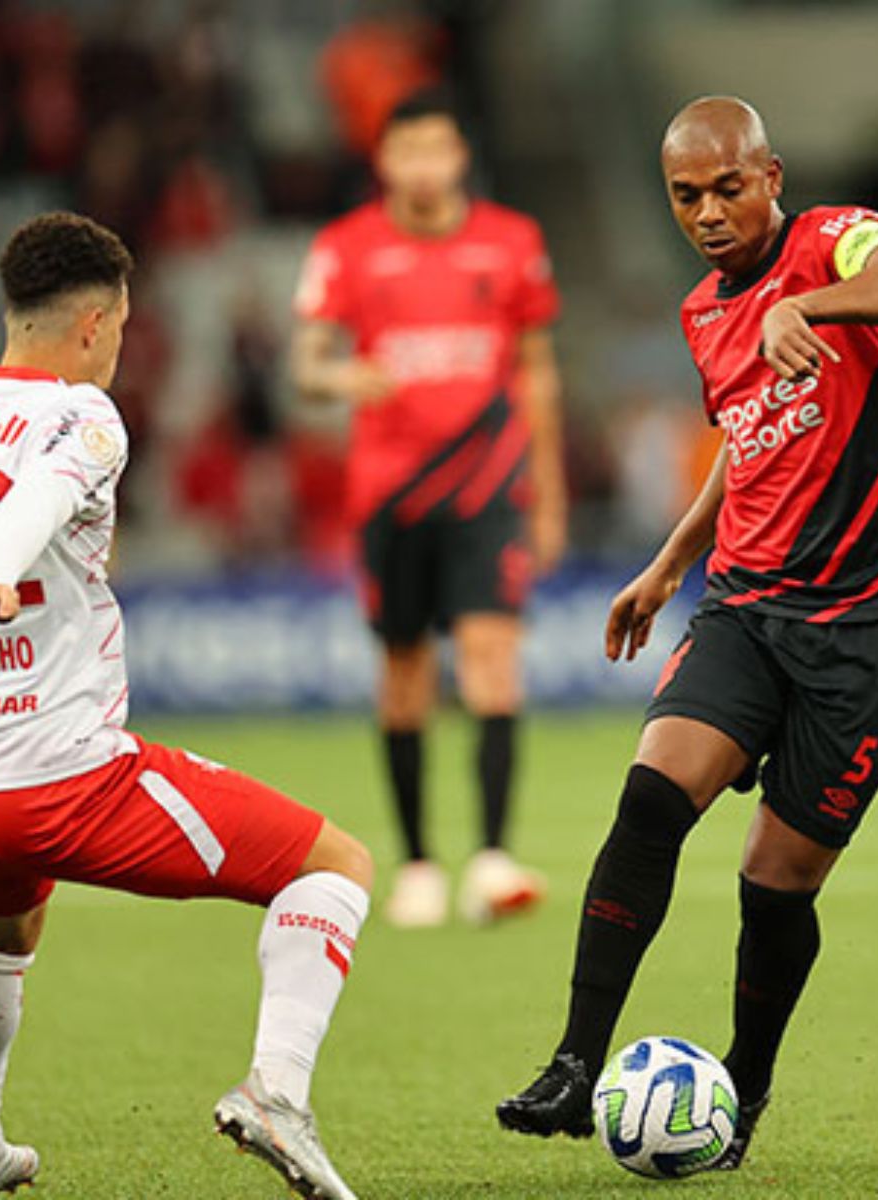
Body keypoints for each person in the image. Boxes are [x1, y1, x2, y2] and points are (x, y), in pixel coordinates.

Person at [0, 212, 371, 1200]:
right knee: (335, 867)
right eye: (120, 326)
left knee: (3, 935)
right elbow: (41, 493)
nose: (120, 345)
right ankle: (277, 1093)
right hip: (63, 783)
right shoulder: (86, 415)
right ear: (94, 322)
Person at [497, 96, 878, 1168]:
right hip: (748, 602)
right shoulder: (705, 311)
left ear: (772, 174)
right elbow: (747, 444)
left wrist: (821, 308)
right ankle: (573, 1064)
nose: (707, 212)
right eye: (686, 195)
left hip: (877, 626)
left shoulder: (837, 239)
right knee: (652, 798)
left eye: (728, 187)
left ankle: (740, 1098)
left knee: (773, 882)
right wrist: (666, 565)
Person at [292, 88, 566, 928]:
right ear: (385, 162)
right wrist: (343, 377)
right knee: (405, 672)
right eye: (405, 152)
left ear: (458, 157)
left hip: (487, 491)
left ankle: (489, 858)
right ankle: (416, 864)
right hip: (390, 495)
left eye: (436, 150)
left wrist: (548, 494)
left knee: (492, 655)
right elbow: (306, 365)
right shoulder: (346, 249)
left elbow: (538, 373)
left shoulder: (513, 244)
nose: (422, 167)